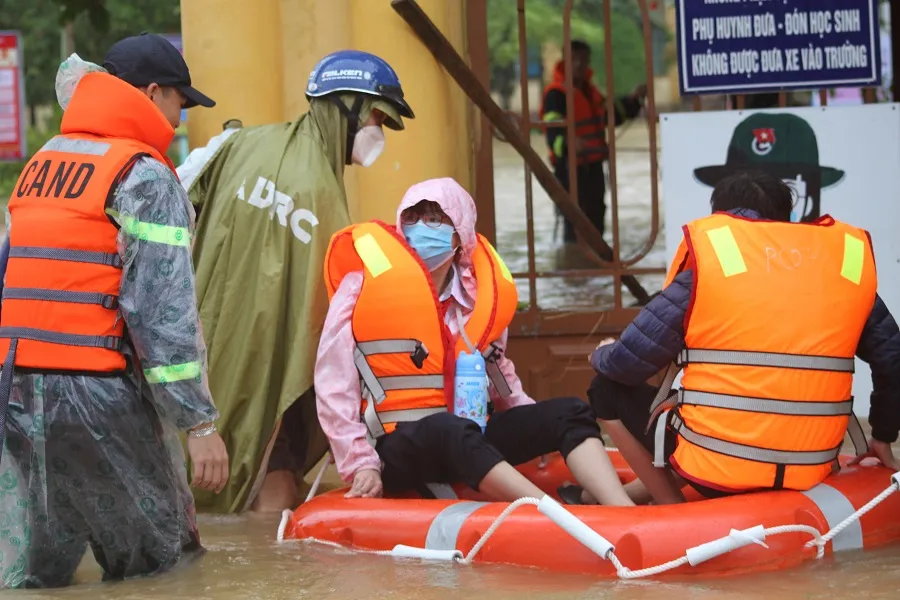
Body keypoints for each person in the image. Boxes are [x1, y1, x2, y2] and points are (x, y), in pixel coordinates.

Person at [0, 34, 229, 588]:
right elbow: (161, 311)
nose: (179, 120)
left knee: (42, 571)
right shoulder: (144, 174)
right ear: (153, 93)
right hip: (96, 395)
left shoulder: (42, 162)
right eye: (180, 103)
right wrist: (198, 423)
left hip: (17, 392)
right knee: (164, 565)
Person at [180, 50, 414, 513]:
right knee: (274, 491)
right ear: (345, 106)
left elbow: (182, 202)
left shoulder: (238, 144)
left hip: (201, 353)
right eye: (377, 120)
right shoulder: (322, 194)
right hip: (272, 366)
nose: (378, 134)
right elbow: (332, 308)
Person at [585, 170, 900, 505]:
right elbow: (893, 360)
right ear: (783, 218)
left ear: (722, 216)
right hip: (811, 466)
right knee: (698, 414)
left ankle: (668, 510)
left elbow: (627, 364)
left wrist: (603, 354)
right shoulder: (839, 268)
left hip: (720, 467)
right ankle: (634, 492)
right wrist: (882, 435)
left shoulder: (713, 264)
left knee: (606, 388)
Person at [315, 177, 634, 505]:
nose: (420, 227)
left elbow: (500, 377)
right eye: (412, 217)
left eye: (435, 218)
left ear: (460, 234)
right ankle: (557, 516)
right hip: (394, 447)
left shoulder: (477, 298)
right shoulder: (360, 287)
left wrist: (534, 427)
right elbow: (333, 383)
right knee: (448, 430)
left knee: (570, 410)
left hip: (469, 436)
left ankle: (621, 510)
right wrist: (361, 464)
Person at [539, 39, 647, 246]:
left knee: (596, 222)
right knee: (574, 228)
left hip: (594, 169)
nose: (579, 64)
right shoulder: (556, 94)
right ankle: (574, 270)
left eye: (583, 59)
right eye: (574, 59)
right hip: (569, 171)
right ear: (565, 61)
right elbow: (552, 134)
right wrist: (570, 144)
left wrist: (634, 100)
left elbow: (612, 115)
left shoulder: (590, 92)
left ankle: (593, 270)